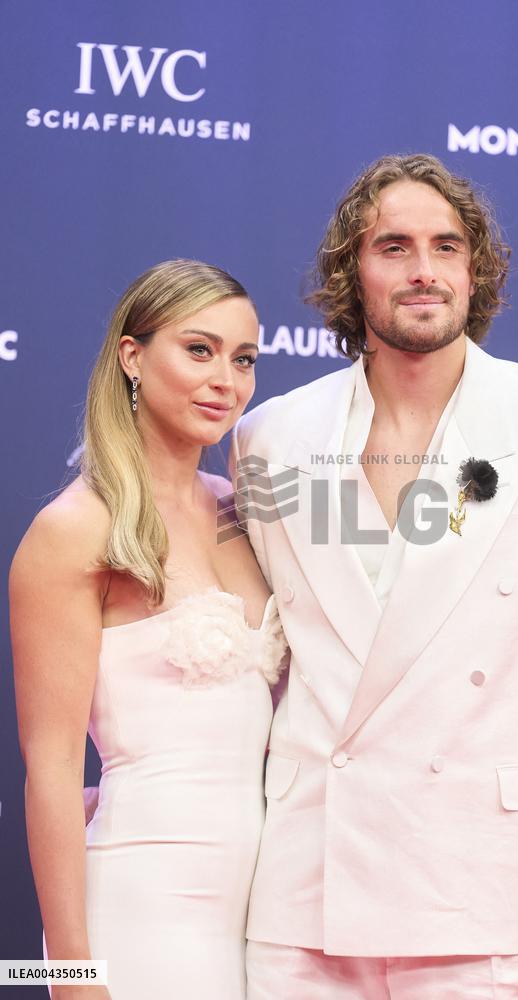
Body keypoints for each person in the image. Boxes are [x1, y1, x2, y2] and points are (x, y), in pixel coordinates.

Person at [232, 155, 518, 999]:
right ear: (353, 271)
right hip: (305, 899)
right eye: (394, 246)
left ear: (474, 268)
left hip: (486, 895)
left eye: (446, 246)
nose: (424, 270)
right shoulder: (271, 436)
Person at [10, 259, 287, 1000]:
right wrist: (69, 977)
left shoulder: (236, 506)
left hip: (259, 917)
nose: (225, 379)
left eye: (244, 359)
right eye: (199, 350)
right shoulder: (73, 529)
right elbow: (53, 773)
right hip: (139, 909)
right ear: (133, 357)